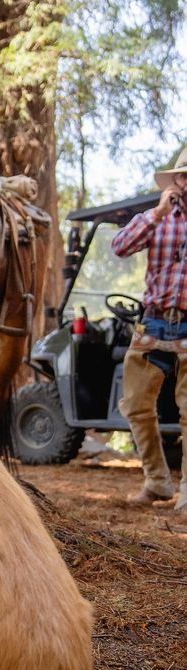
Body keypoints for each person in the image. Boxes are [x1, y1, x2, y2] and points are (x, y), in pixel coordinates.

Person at [111, 144, 187, 516]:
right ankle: (157, 482)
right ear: (175, 180)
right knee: (137, 404)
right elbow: (120, 247)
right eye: (184, 175)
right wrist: (157, 213)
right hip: (154, 320)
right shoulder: (156, 218)